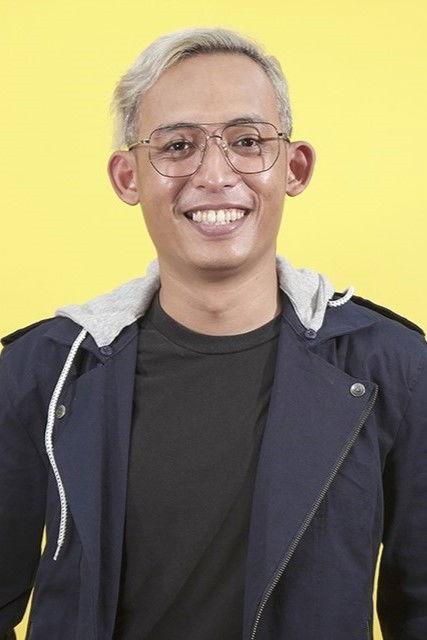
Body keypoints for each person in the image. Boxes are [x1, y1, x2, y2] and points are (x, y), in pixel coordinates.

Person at [0, 26, 425, 640]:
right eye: (177, 146)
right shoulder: (44, 368)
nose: (215, 174)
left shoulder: (394, 368)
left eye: (248, 141)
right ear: (127, 177)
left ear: (295, 167)